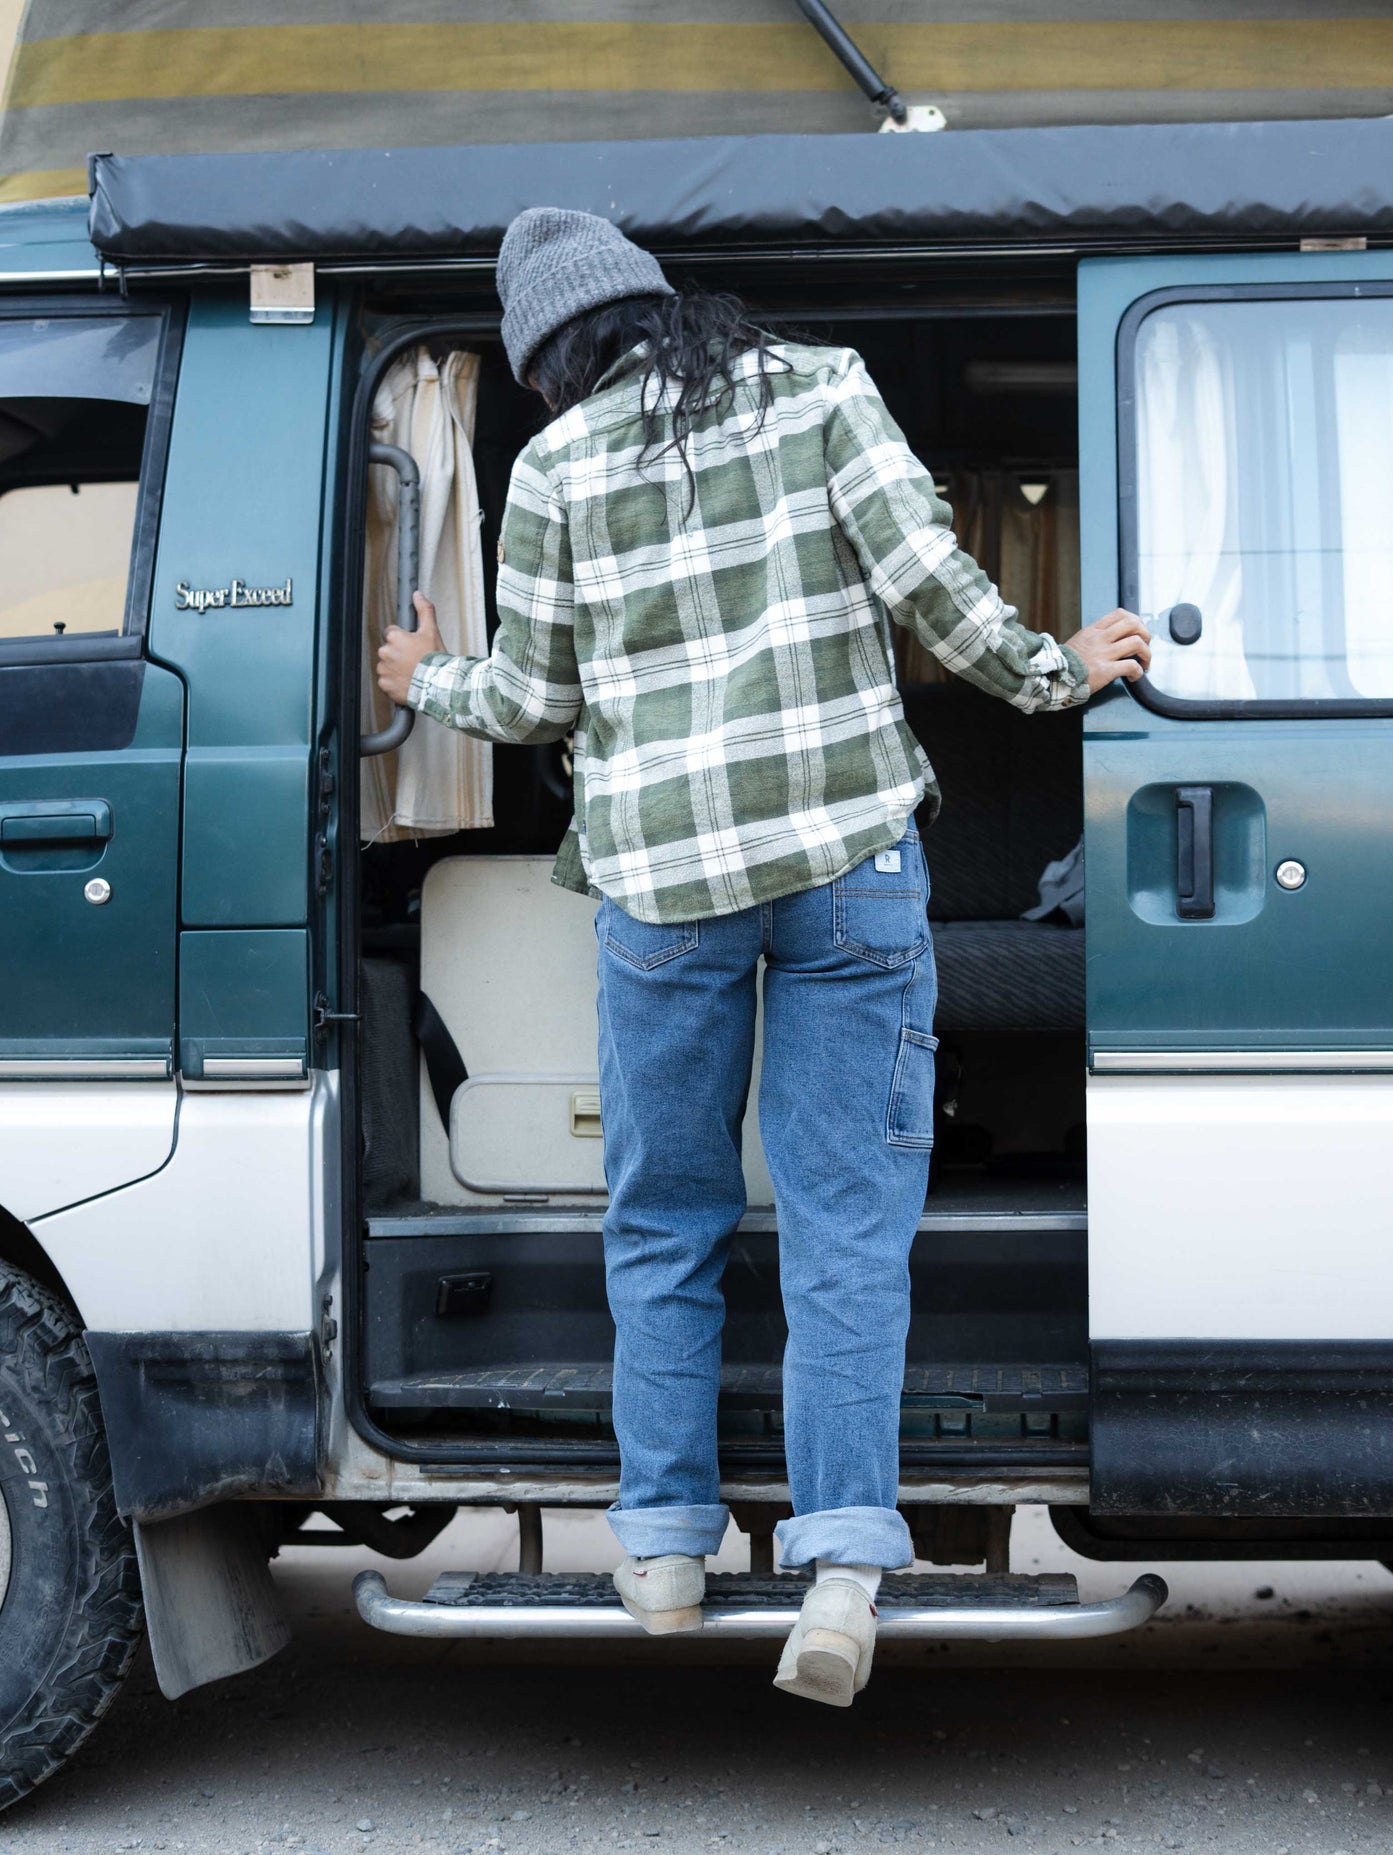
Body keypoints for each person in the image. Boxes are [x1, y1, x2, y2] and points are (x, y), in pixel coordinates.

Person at [377, 208, 1151, 1708]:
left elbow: (535, 701)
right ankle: (845, 1570)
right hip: (847, 866)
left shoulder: (552, 467)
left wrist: (428, 678)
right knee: (846, 1221)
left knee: (662, 1211)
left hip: (663, 890)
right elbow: (936, 593)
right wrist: (1063, 670)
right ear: (660, 304)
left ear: (550, 359)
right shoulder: (819, 386)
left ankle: (664, 1546)